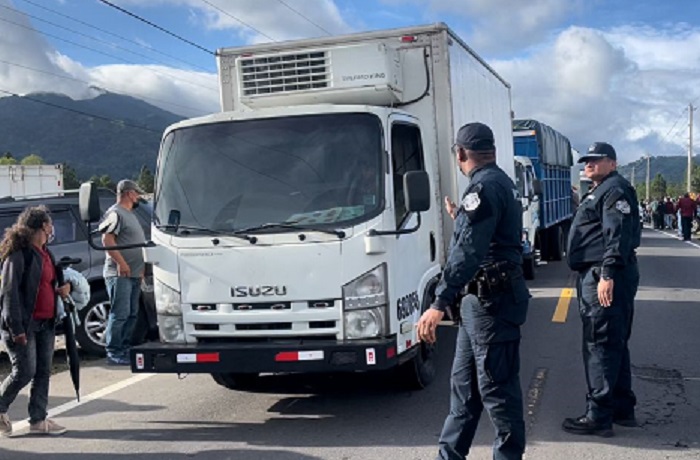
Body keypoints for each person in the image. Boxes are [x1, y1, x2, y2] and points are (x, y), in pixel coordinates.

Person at [416, 122, 529, 460]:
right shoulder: (499, 183)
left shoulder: (482, 188)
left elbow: (468, 252)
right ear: (491, 150)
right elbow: (483, 235)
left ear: (461, 153)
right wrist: (461, 218)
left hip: (492, 304)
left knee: (499, 393)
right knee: (464, 392)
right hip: (478, 305)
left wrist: (439, 302)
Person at [564, 142, 641, 437]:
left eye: (596, 160)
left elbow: (617, 233)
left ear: (612, 162)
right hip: (601, 272)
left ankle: (598, 415)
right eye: (586, 161)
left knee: (600, 343)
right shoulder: (603, 189)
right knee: (614, 342)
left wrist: (607, 272)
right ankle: (622, 407)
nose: (588, 164)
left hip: (604, 274)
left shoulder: (614, 190)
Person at [0, 206, 71, 436]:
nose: (52, 229)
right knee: (25, 371)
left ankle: (39, 420)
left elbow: (47, 284)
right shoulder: (19, 255)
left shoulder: (46, 253)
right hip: (23, 326)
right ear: (42, 226)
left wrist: (62, 289)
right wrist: (16, 328)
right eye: (50, 224)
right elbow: (9, 294)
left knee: (42, 371)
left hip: (45, 323)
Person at [100, 180, 146, 365]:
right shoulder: (115, 214)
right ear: (129, 194)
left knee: (132, 313)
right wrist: (122, 263)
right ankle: (114, 350)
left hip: (134, 273)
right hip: (120, 274)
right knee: (120, 313)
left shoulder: (129, 214)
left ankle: (124, 347)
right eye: (137, 193)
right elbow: (107, 240)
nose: (139, 197)